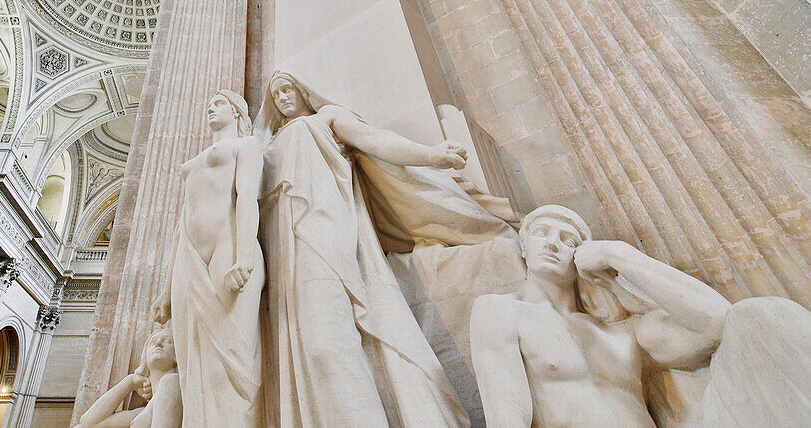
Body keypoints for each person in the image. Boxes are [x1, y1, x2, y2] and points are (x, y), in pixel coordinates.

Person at [254, 70, 517, 427]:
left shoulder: (326, 118)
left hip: (326, 224)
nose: (283, 98)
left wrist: (431, 155)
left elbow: (375, 141)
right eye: (276, 94)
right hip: (281, 242)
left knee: (328, 339)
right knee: (304, 345)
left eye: (288, 89)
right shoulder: (266, 145)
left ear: (304, 91)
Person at [470, 205, 730, 428]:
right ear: (524, 249)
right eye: (541, 233)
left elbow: (718, 324)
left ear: (583, 256)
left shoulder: (624, 332)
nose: (552, 243)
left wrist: (619, 255)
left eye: (568, 240)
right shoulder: (501, 311)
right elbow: (507, 417)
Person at [152, 90, 264, 427]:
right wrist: (165, 288)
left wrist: (245, 255)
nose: (210, 108)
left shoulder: (246, 146)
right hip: (189, 253)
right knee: (191, 363)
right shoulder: (196, 160)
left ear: (237, 111)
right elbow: (179, 223)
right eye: (208, 104)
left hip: (227, 244)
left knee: (231, 357)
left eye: (219, 104)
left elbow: (247, 197)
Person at [78, 326, 182, 428]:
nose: (158, 343)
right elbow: (89, 423)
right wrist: (130, 381)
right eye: (152, 342)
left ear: (176, 355)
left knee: (169, 381)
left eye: (168, 341)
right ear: (145, 357)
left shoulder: (173, 382)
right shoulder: (141, 413)